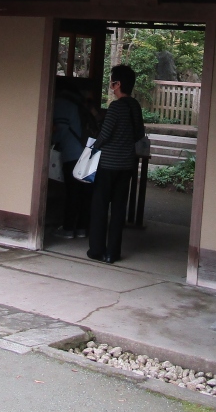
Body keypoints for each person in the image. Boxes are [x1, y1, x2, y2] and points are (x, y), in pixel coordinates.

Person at [87, 64, 145, 263]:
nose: (111, 85)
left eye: (112, 81)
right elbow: (139, 134)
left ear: (117, 84)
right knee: (119, 208)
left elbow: (104, 135)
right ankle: (113, 252)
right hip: (126, 164)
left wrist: (93, 149)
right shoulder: (135, 106)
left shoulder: (116, 106)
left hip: (108, 164)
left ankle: (97, 249)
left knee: (100, 206)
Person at [51, 80, 90, 239]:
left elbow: (60, 131)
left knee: (72, 193)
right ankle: (82, 228)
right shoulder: (82, 104)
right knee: (85, 193)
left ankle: (68, 228)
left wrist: (51, 141)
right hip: (88, 153)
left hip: (72, 153)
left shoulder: (61, 103)